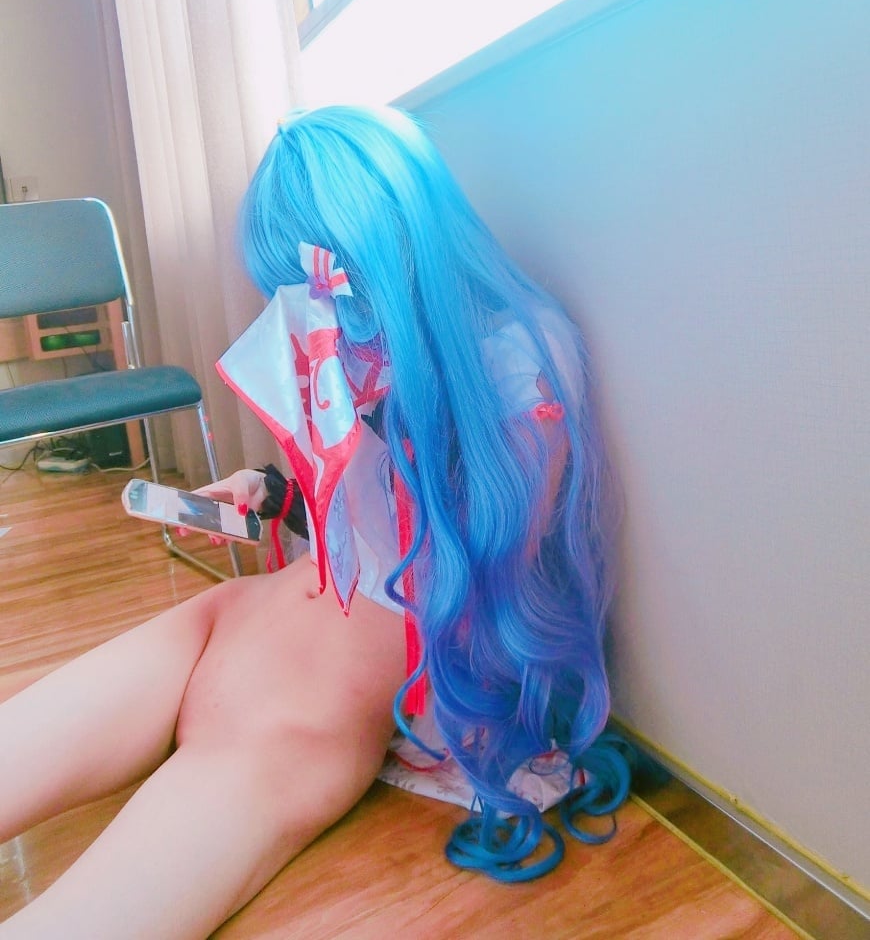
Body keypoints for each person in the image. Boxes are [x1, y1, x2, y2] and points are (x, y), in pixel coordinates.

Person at [0, 106, 630, 940]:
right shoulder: (362, 354)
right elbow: (367, 518)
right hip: (242, 616)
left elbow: (479, 561)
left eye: (331, 288)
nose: (321, 316)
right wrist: (274, 493)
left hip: (321, 696)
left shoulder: (518, 356)